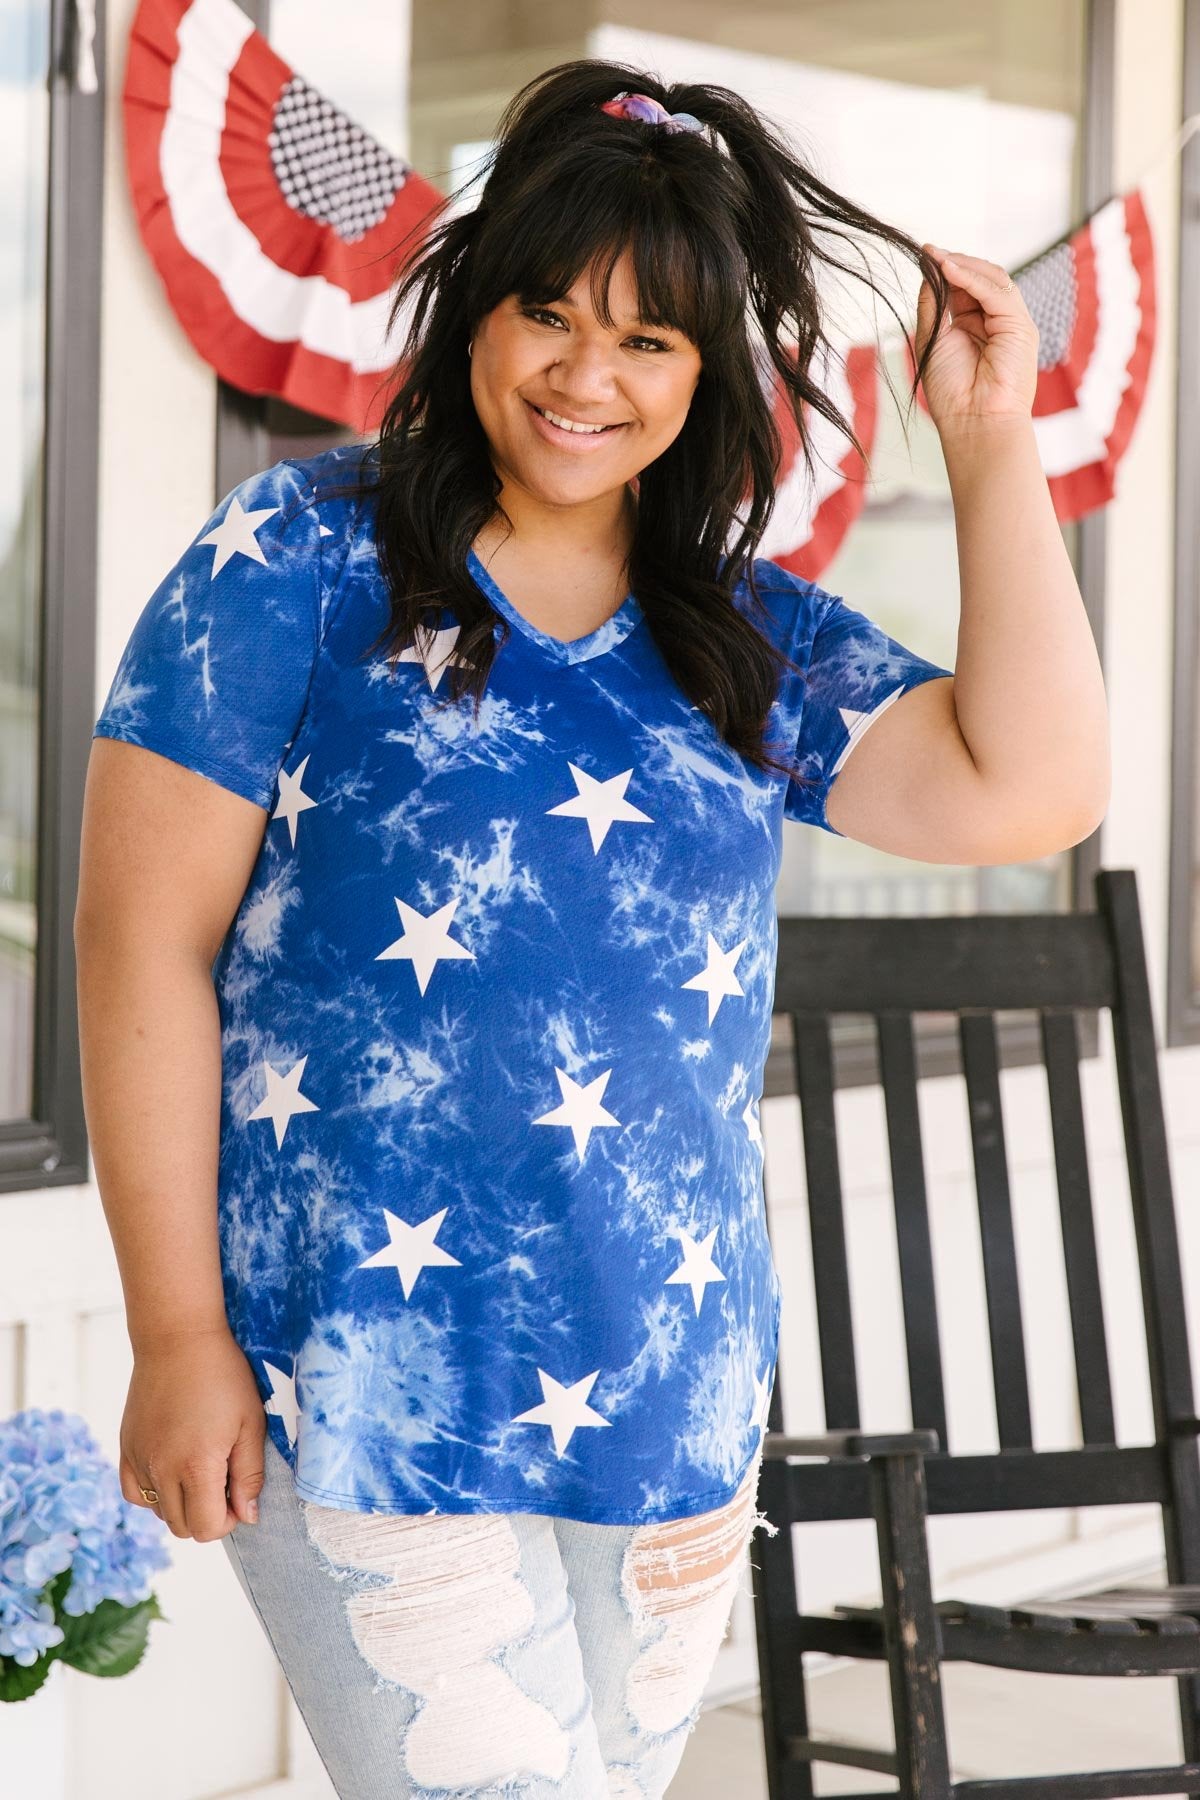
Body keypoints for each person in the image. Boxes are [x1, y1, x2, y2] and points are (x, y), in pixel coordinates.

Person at [75, 57, 1109, 1800]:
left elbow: (1033, 786)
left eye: (648, 341)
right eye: (548, 314)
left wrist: (993, 441)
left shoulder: (740, 634)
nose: (584, 376)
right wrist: (177, 1337)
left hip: (669, 1394)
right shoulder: (292, 561)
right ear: (473, 312)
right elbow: (133, 946)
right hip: (366, 1384)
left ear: (706, 374)